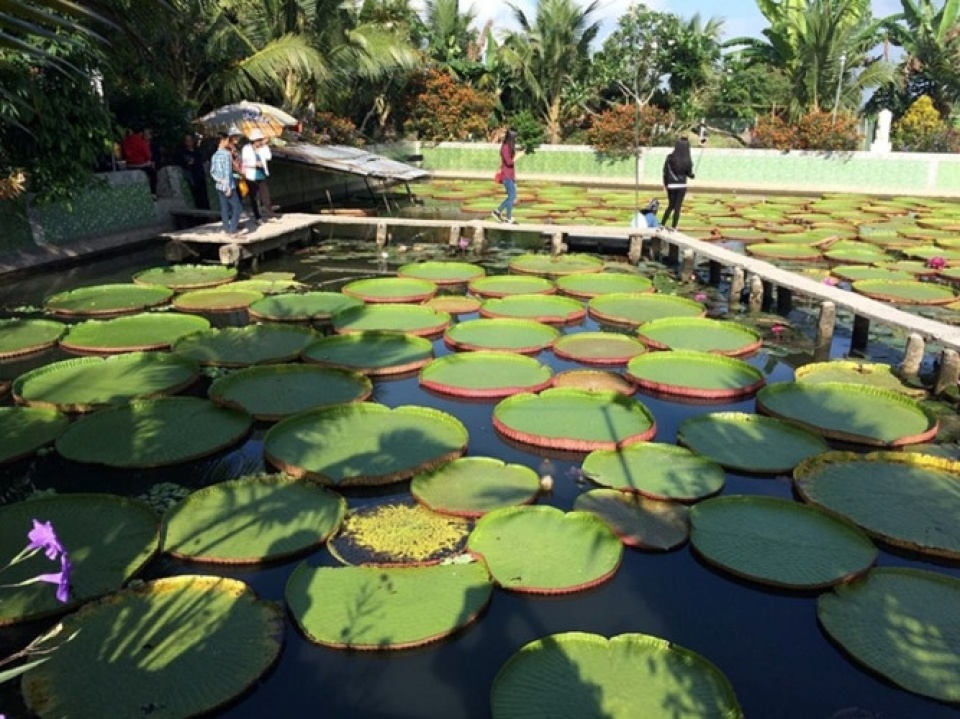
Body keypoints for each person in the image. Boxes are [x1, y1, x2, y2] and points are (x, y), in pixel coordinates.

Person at [210, 132, 243, 236]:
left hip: (219, 185)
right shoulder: (226, 154)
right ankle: (232, 229)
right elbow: (227, 172)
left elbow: (212, 172)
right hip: (228, 186)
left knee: (224, 208)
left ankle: (226, 229)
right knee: (237, 207)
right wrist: (227, 187)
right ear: (222, 141)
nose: (229, 142)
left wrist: (219, 181)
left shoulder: (214, 155)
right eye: (227, 140)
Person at [660, 136, 695, 230]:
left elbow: (665, 172)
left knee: (671, 205)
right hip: (682, 185)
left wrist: (665, 185)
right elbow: (689, 174)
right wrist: (692, 176)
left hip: (671, 185)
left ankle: (662, 224)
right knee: (677, 207)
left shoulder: (670, 157)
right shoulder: (688, 160)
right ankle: (674, 227)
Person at [121, 126, 158, 199]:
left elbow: (123, 154)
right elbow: (148, 155)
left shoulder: (126, 141)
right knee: (153, 173)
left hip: (129, 165)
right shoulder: (141, 141)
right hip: (141, 165)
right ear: (141, 133)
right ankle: (153, 193)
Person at [241, 129, 268, 224]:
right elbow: (244, 162)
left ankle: (263, 213)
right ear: (254, 140)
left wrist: (264, 146)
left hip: (261, 174)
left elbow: (269, 157)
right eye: (259, 140)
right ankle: (257, 217)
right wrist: (255, 164)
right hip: (251, 175)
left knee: (263, 195)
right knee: (254, 197)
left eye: (261, 140)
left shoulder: (262, 148)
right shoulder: (246, 148)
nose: (260, 142)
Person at [492, 128, 519, 224]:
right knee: (512, 196)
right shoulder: (505, 147)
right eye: (515, 138)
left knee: (511, 196)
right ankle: (508, 217)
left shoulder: (508, 147)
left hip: (509, 175)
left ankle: (498, 212)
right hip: (506, 176)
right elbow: (508, 162)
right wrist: (517, 157)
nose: (516, 140)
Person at [177, 133, 209, 209]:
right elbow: (182, 162)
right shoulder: (183, 152)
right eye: (187, 141)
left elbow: (201, 160)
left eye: (190, 140)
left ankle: (207, 213)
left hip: (200, 175)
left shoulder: (197, 151)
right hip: (193, 177)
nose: (189, 143)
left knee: (204, 196)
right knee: (197, 197)